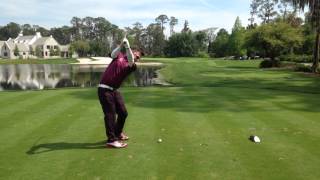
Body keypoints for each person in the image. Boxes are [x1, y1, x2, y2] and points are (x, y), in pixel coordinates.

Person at [98, 37, 139, 148]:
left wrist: (127, 46)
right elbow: (112, 55)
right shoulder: (118, 56)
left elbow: (130, 59)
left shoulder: (132, 66)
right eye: (137, 54)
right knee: (110, 114)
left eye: (138, 57)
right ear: (133, 52)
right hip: (104, 89)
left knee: (123, 113)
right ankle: (111, 140)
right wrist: (121, 45)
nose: (137, 57)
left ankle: (117, 133)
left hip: (114, 90)